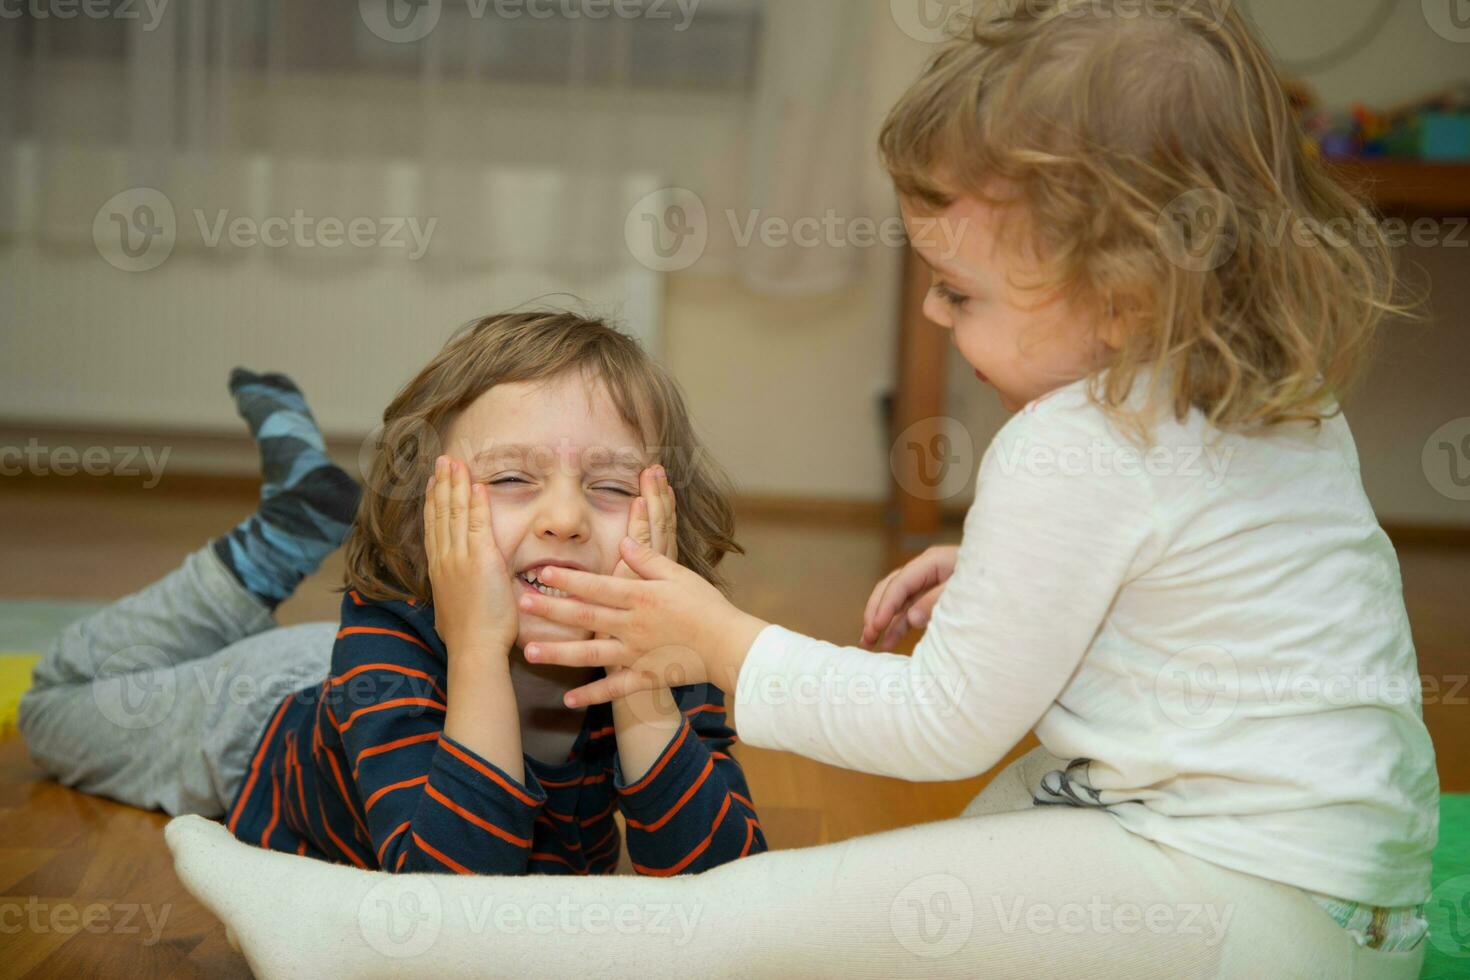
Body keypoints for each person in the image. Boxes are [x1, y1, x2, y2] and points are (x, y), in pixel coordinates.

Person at [163, 2, 1435, 976]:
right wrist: (1013, 582)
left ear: (1124, 285)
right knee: (941, 880)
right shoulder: (1278, 401)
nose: (935, 312)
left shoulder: (1075, 445)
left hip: (1233, 894)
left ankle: (359, 934)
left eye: (963, 291)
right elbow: (1197, 589)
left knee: (756, 923)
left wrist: (719, 640)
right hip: (1343, 902)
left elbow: (939, 727)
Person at [21, 312, 766, 877]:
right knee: (54, 703)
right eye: (511, 479)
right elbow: (448, 900)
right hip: (255, 717)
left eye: (609, 487)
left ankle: (287, 532)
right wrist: (475, 648)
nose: (566, 520)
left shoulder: (669, 650)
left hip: (359, 673)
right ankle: (269, 551)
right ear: (422, 520)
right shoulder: (386, 640)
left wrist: (645, 689)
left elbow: (723, 887)